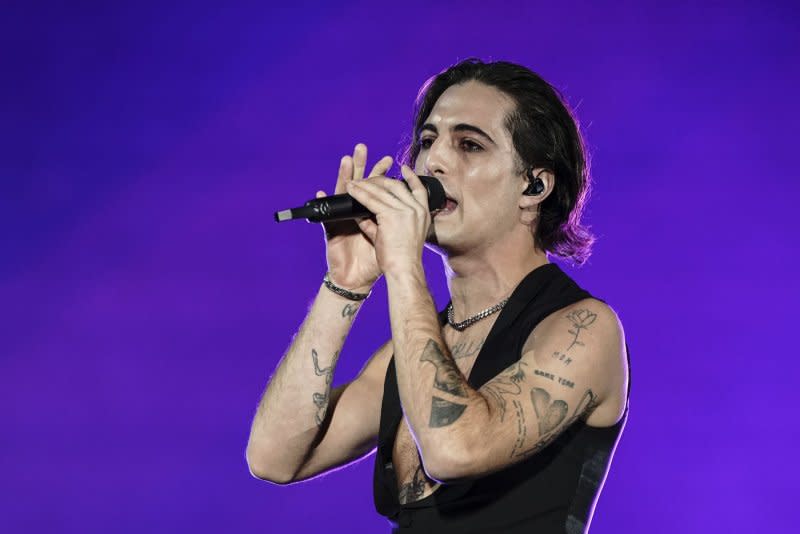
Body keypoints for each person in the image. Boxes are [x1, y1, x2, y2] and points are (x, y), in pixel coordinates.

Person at [246, 58, 630, 533]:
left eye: (469, 145)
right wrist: (344, 283)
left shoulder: (582, 328)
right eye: (427, 142)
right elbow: (274, 458)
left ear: (534, 185)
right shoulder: (410, 352)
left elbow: (454, 450)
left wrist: (403, 264)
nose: (433, 163)